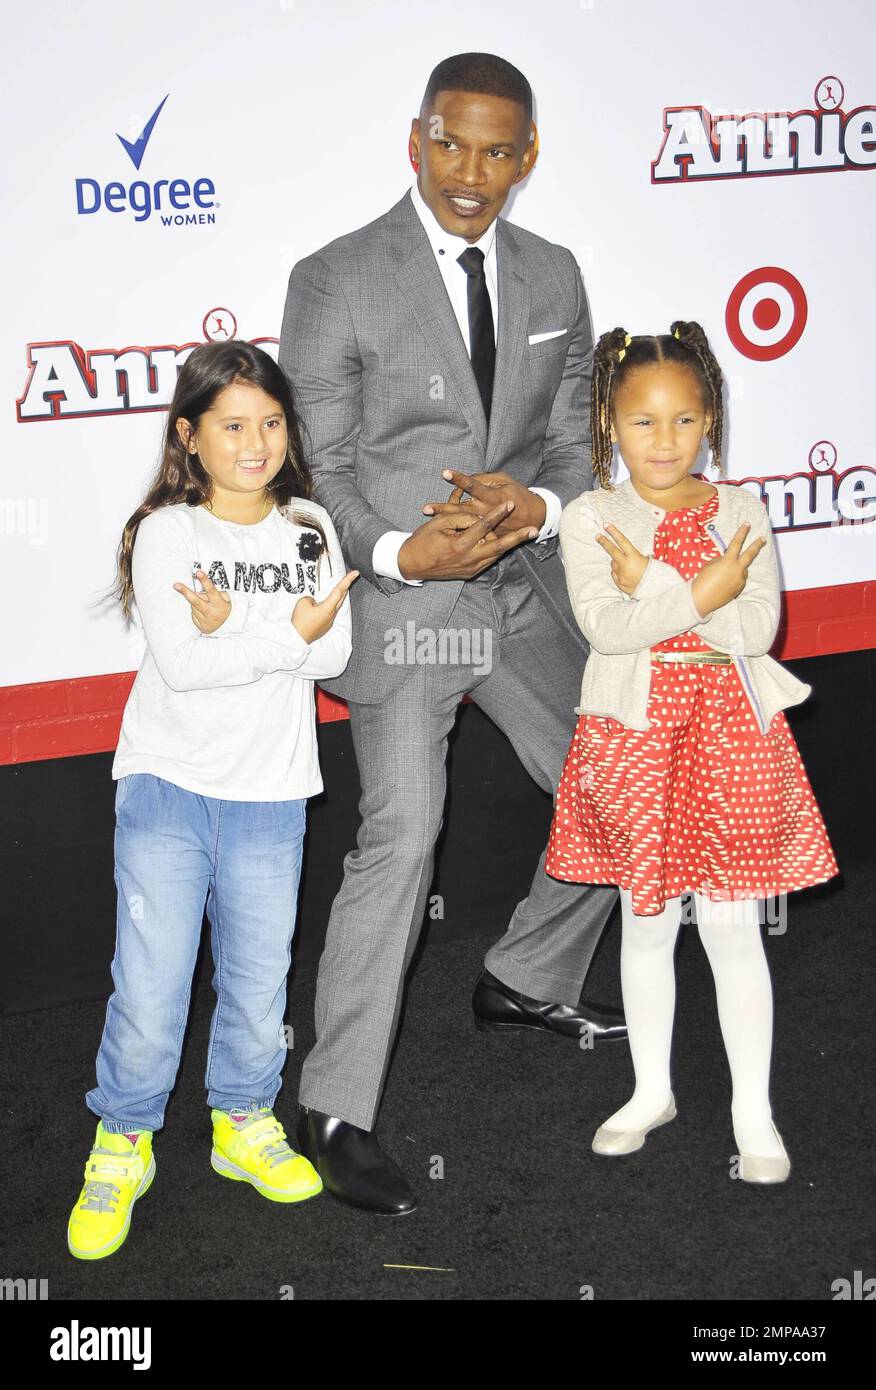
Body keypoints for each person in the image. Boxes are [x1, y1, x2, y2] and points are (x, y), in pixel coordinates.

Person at [279, 51, 627, 1217]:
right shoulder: (335, 280)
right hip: (407, 604)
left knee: (618, 772)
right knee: (405, 831)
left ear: (527, 157)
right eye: (451, 142)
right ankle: (332, 1103)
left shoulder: (556, 275)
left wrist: (545, 507)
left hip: (522, 585)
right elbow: (317, 471)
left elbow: (577, 455)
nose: (471, 172)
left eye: (498, 150)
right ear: (415, 139)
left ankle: (528, 975)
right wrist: (394, 554)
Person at [68, 342, 357, 1260]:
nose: (256, 442)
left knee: (259, 979)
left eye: (271, 422)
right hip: (167, 786)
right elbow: (189, 669)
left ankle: (242, 1120)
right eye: (232, 425)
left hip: (273, 791)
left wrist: (244, 626)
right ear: (189, 437)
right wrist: (279, 633)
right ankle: (123, 1138)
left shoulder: (309, 525)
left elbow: (336, 654)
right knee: (151, 983)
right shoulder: (169, 533)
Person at [546, 321, 839, 1182]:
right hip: (635, 738)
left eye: (683, 420)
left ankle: (754, 1108)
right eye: (643, 421)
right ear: (608, 422)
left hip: (730, 736)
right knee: (644, 922)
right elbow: (607, 628)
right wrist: (703, 591)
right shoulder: (592, 518)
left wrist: (671, 588)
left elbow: (755, 631)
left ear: (709, 418)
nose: (664, 440)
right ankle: (650, 1090)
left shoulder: (742, 511)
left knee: (730, 927)